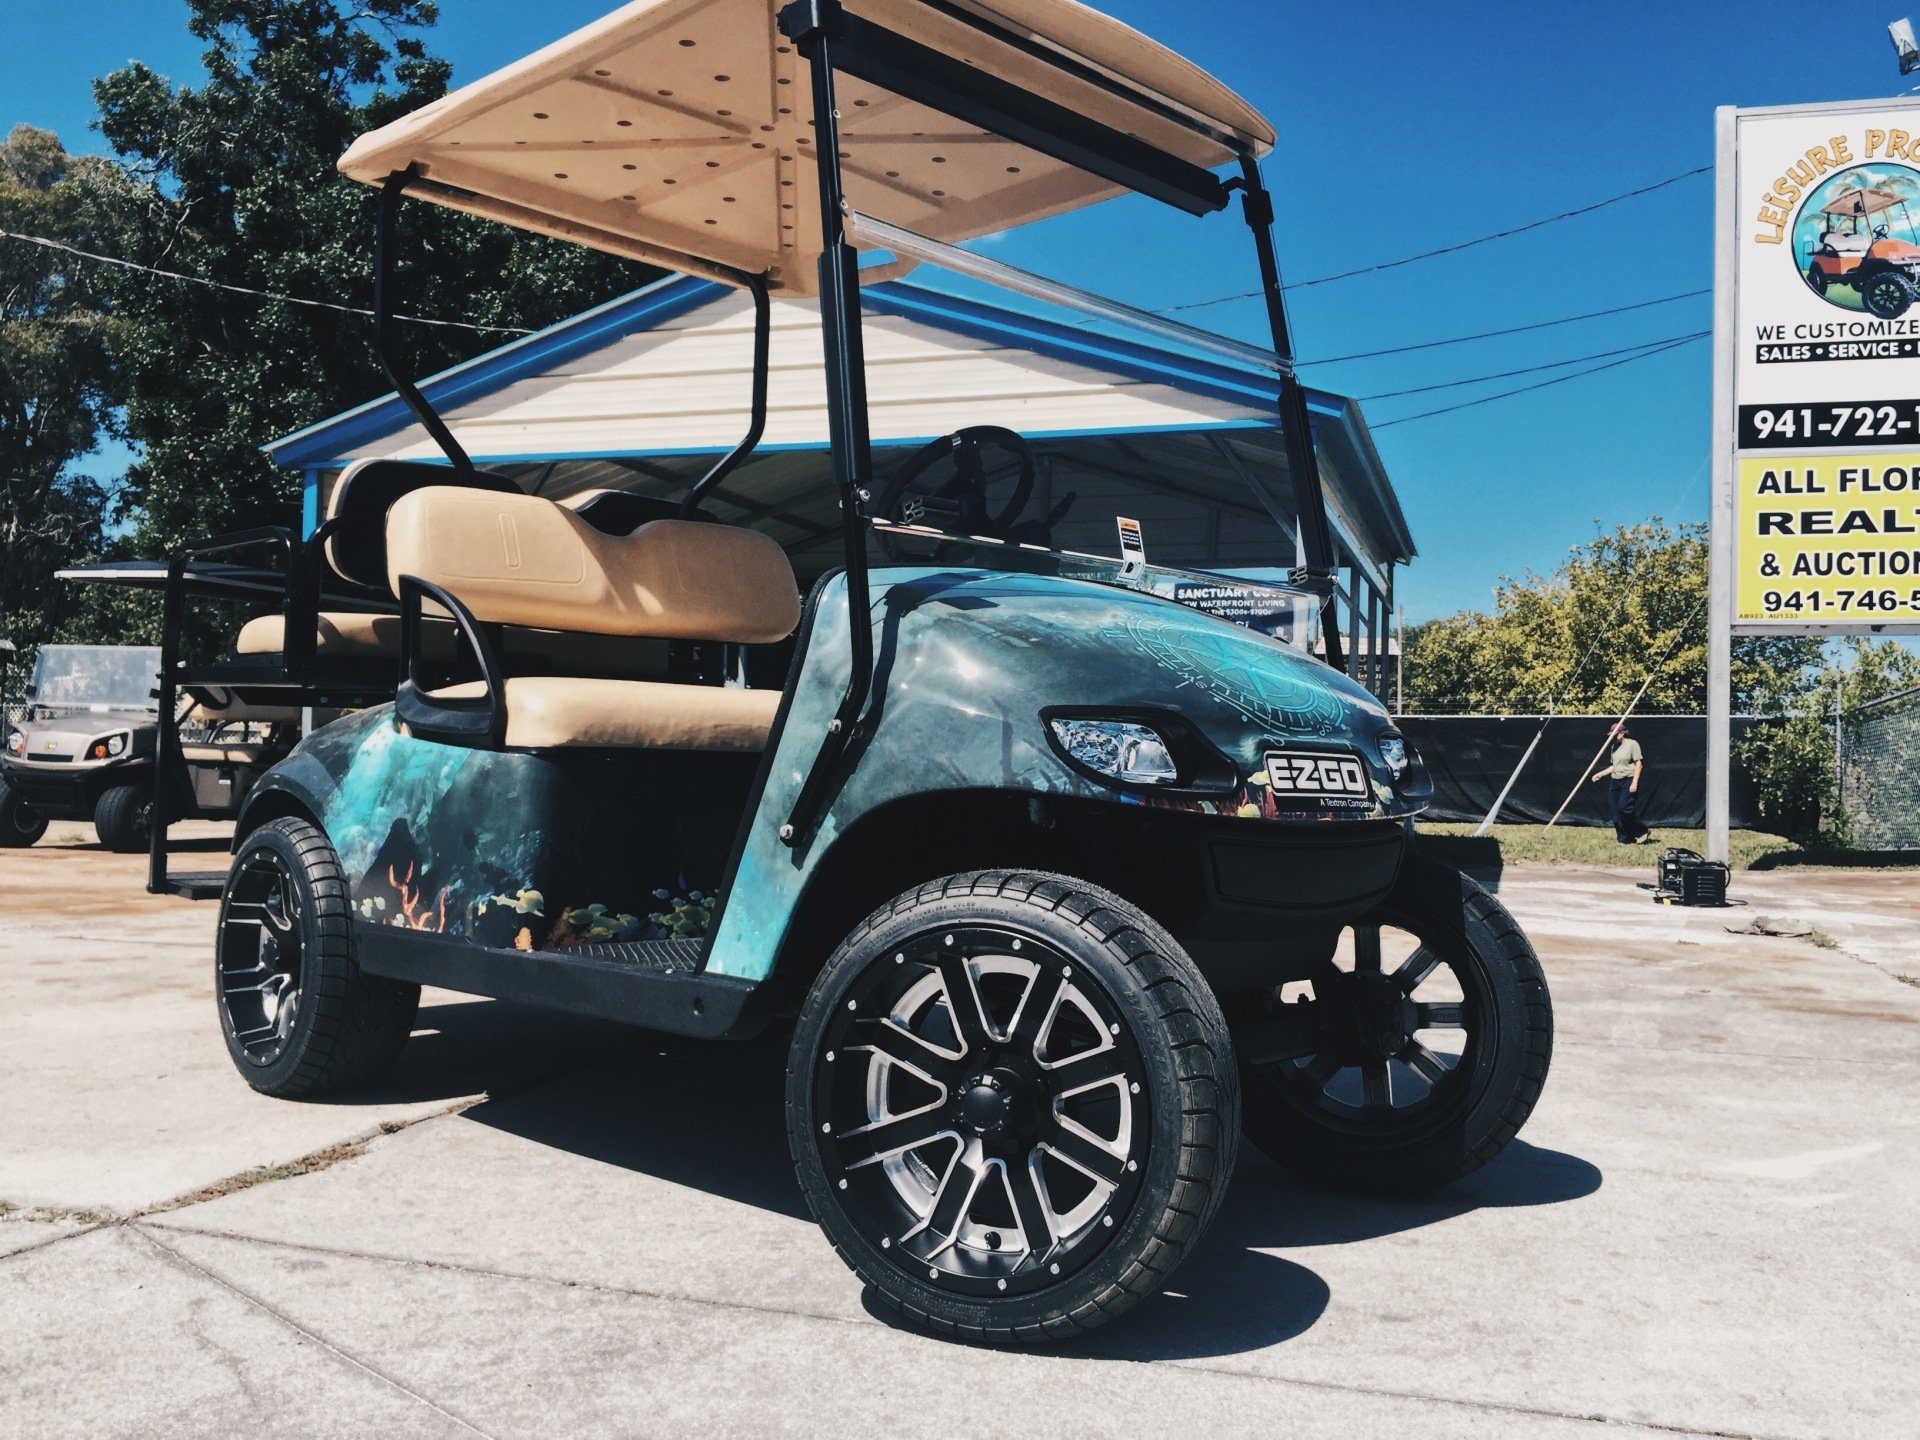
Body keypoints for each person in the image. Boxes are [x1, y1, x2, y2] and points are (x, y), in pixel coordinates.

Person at [1590, 721, 1652, 845]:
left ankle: (1641, 831)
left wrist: (1634, 782)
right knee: (1615, 812)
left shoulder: (1632, 744)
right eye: (1611, 734)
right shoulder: (1614, 747)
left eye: (1615, 733)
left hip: (1628, 779)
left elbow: (1639, 764)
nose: (1613, 736)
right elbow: (1614, 766)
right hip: (1615, 781)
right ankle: (1624, 838)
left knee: (1624, 808)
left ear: (1622, 732)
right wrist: (1600, 774)